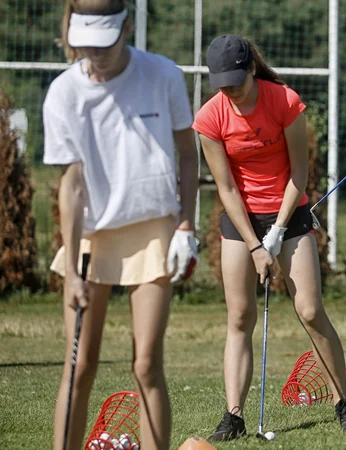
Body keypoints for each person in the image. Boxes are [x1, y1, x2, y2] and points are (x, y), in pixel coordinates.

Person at [193, 35, 346, 436]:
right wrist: (255, 243)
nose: (230, 91)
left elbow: (299, 174)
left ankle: (344, 402)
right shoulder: (209, 117)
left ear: (251, 69)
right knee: (240, 315)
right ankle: (233, 416)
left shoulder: (285, 102)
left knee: (309, 310)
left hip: (289, 210)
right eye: (222, 84)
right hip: (241, 220)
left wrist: (278, 230)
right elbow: (227, 189)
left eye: (236, 81)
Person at [46, 1, 198, 448]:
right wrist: (71, 271)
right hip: (92, 238)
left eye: (104, 44)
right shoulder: (63, 93)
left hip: (154, 229)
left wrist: (186, 225)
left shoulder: (164, 74)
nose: (94, 54)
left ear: (127, 26)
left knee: (147, 363)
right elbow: (71, 185)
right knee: (80, 366)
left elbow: (188, 155)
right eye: (85, 45)